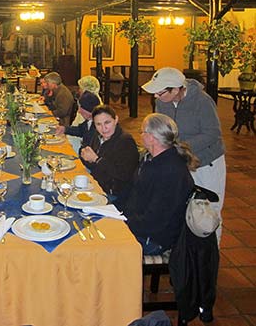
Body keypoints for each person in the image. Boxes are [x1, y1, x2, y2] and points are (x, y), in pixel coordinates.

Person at [142, 67, 226, 242]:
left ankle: (211, 255)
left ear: (176, 89)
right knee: (183, 207)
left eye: (160, 92)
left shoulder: (202, 101)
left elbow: (213, 134)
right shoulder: (162, 102)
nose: (156, 96)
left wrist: (181, 146)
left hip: (207, 162)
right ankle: (185, 251)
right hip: (181, 161)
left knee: (209, 211)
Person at [117, 113, 197, 255]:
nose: (140, 135)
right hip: (139, 223)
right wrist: (112, 209)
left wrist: (123, 223)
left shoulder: (171, 171)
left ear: (152, 138)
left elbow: (155, 220)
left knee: (103, 247)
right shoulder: (150, 158)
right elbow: (132, 189)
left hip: (155, 239)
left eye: (142, 131)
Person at [80, 105, 139, 197]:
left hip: (113, 194)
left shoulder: (125, 142)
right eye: (98, 124)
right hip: (95, 184)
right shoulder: (97, 136)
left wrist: (96, 159)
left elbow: (124, 175)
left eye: (107, 122)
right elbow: (93, 164)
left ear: (116, 120)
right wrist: (85, 155)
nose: (104, 128)